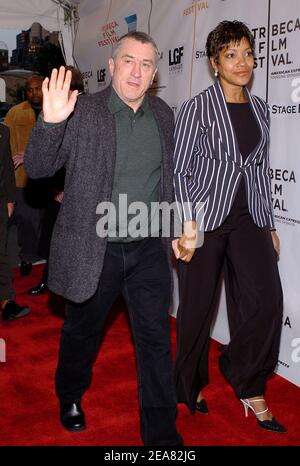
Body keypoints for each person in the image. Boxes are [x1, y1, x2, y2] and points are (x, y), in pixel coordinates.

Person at [24, 32, 183, 446]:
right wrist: (51, 121)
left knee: (155, 342)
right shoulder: (84, 111)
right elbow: (39, 168)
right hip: (96, 248)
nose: (136, 71)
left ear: (154, 73)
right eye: (128, 61)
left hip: (149, 248)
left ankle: (162, 437)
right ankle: (70, 394)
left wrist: (179, 224)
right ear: (111, 66)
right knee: (82, 334)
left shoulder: (164, 114)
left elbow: (168, 180)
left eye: (146, 64)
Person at [173, 20, 286, 433]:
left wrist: (269, 224)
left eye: (247, 53)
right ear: (215, 63)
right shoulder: (195, 109)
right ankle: (188, 385)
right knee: (197, 310)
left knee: (268, 301)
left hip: (248, 219)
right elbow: (181, 171)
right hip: (202, 219)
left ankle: (248, 381)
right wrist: (187, 223)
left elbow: (259, 170)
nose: (243, 62)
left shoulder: (260, 109)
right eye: (231, 55)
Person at [28, 66, 84, 296]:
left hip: (78, 190)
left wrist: (67, 190)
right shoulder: (56, 110)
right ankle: (49, 278)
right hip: (59, 185)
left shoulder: (84, 112)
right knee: (53, 237)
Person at [4, 75, 44, 276]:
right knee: (27, 222)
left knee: (47, 222)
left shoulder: (55, 111)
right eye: (30, 89)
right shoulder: (15, 113)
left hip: (50, 177)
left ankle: (44, 259)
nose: (34, 93)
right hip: (23, 179)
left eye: (37, 88)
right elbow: (6, 148)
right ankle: (28, 259)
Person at [0, 123, 30, 321]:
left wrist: (10, 199)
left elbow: (7, 167)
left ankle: (6, 301)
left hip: (0, 201)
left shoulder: (3, 131)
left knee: (1, 253)